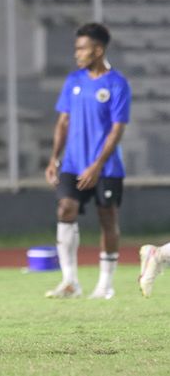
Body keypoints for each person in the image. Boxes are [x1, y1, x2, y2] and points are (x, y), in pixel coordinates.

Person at [44, 23, 131, 300]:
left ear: (98, 49)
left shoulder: (117, 83)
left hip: (106, 167)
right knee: (65, 209)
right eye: (76, 48)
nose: (77, 54)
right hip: (72, 163)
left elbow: (117, 129)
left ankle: (105, 284)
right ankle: (70, 281)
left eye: (81, 48)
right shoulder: (74, 80)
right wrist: (53, 158)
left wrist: (96, 165)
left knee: (107, 219)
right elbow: (63, 121)